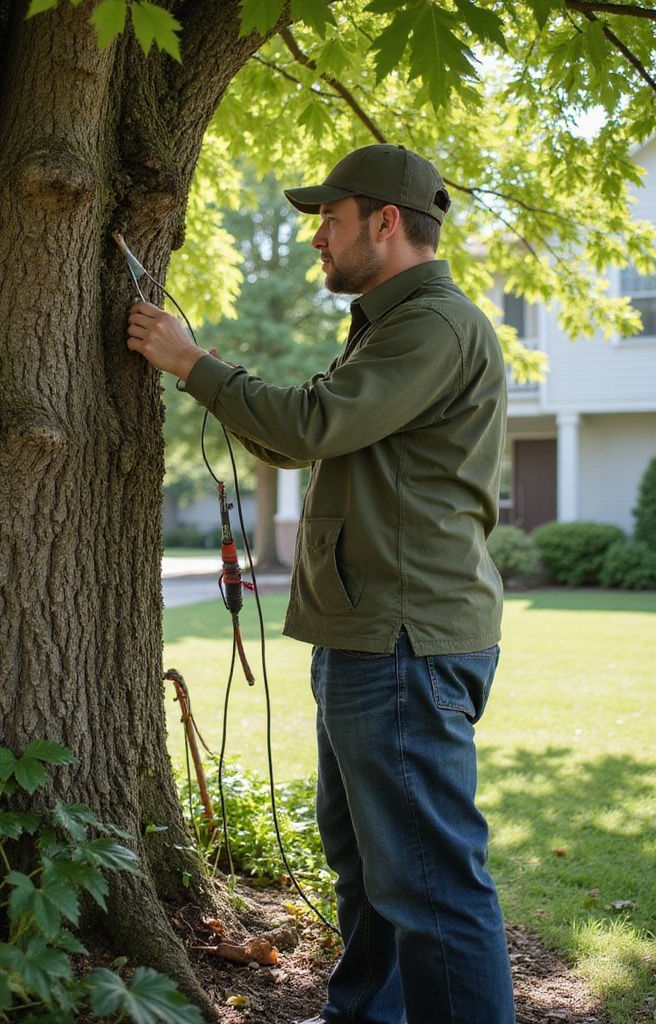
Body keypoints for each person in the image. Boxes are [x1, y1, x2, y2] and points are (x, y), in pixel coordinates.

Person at [126, 143, 515, 1024]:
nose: (317, 243)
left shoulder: (433, 325)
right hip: (368, 634)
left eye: (329, 223)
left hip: (405, 640)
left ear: (385, 222)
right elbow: (301, 431)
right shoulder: (387, 324)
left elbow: (310, 424)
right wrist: (211, 376)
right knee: (370, 866)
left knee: (428, 880)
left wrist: (193, 364)